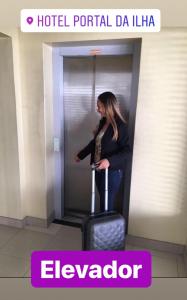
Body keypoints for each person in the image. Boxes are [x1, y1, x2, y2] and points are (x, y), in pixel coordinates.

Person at [75, 91, 131, 212]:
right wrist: (81, 155)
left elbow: (127, 151)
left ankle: (106, 230)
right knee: (103, 203)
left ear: (108, 106)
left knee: (106, 205)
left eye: (99, 106)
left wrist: (109, 161)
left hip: (112, 173)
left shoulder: (120, 126)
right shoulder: (103, 122)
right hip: (98, 169)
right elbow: (95, 143)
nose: (97, 109)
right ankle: (102, 229)